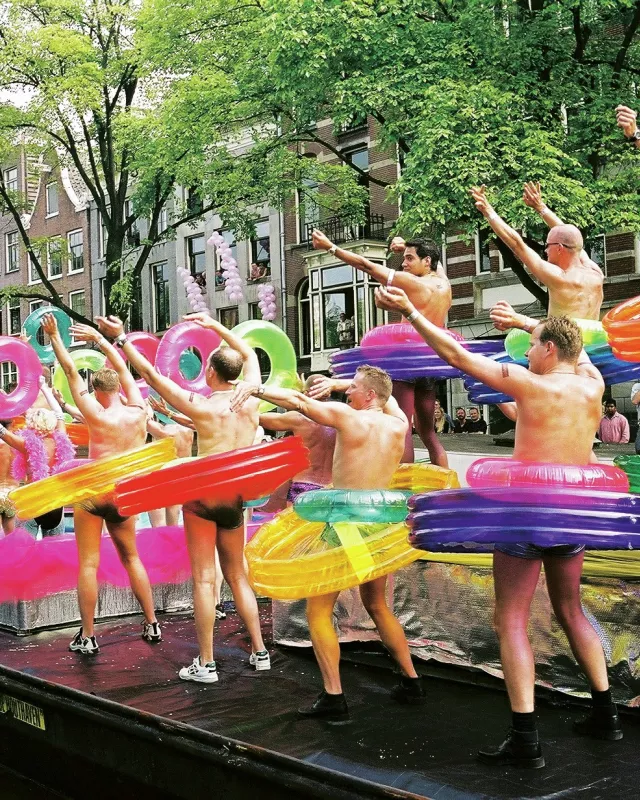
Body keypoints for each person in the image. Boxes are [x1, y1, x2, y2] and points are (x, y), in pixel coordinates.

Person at [374, 284, 621, 768]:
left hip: (526, 514)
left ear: (549, 351)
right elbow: (576, 349)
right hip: (571, 514)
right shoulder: (593, 384)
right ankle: (606, 715)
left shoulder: (533, 384)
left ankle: (526, 740)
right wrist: (531, 325)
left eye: (533, 346)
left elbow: (457, 355)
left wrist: (410, 313)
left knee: (510, 618)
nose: (527, 353)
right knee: (572, 610)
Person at [231, 365, 424, 721]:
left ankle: (334, 697)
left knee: (319, 611)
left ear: (367, 396)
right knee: (377, 604)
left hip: (347, 523)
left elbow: (297, 401)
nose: (345, 392)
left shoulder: (349, 418)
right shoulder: (398, 424)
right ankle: (412, 681)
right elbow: (388, 394)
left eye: (352, 388)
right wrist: (345, 382)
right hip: (379, 524)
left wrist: (255, 389)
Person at [95, 312, 269, 682]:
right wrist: (217, 327)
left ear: (210, 373)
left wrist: (123, 338)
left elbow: (154, 377)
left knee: (205, 579)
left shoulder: (203, 407)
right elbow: (250, 358)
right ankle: (260, 651)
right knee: (238, 576)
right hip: (234, 498)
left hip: (204, 496)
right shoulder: (251, 396)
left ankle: (205, 664)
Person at [44, 315, 162, 655]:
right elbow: (127, 372)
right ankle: (152, 623)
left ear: (96, 390)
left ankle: (88, 635)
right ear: (120, 388)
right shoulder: (139, 410)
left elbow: (69, 372)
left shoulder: (96, 413)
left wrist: (55, 337)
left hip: (96, 491)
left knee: (88, 564)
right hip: (125, 493)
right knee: (132, 557)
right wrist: (102, 340)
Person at [312, 228, 452, 467]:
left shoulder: (412, 283)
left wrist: (330, 247)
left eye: (409, 258)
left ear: (426, 261)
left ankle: (403, 490)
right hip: (429, 360)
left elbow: (367, 266)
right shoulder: (444, 284)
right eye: (403, 258)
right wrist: (405, 246)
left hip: (405, 361)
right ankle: (446, 483)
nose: (404, 264)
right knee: (429, 433)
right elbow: (436, 261)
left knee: (402, 426)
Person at [470, 185, 603, 321]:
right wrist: (540, 207)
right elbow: (569, 236)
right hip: (592, 340)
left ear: (559, 248)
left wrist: (488, 211)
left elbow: (517, 244)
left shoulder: (559, 278)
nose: (545, 250)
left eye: (547, 245)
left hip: (562, 340)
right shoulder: (595, 272)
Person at [259, 374, 337, 504]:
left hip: (303, 487)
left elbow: (257, 418)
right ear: (328, 392)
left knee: (290, 525)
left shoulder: (298, 419)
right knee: (327, 525)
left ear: (306, 392)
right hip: (331, 489)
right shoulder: (344, 418)